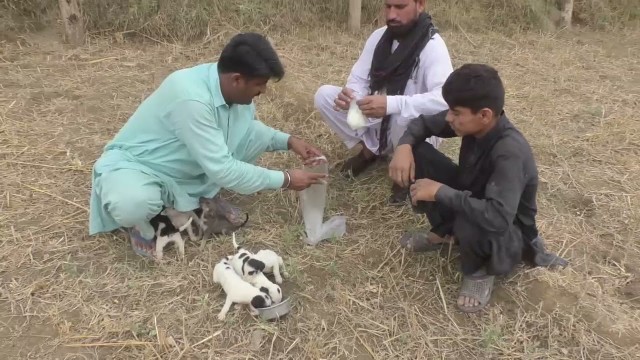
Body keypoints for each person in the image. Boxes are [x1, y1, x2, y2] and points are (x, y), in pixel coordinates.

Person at [89, 32, 327, 258]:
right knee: (132, 203)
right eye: (260, 84)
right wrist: (285, 179)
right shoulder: (191, 98)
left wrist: (288, 141)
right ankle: (144, 224)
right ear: (237, 79)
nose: (263, 90)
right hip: (143, 166)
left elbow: (249, 130)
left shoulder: (231, 91)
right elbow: (223, 169)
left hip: (187, 162)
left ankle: (196, 201)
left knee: (249, 136)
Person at [390, 64, 568, 313]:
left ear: (484, 114)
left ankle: (479, 270)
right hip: (476, 201)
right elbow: (422, 125)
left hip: (505, 232)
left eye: (455, 112)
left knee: (473, 216)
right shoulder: (474, 123)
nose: (448, 118)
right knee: (418, 153)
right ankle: (445, 234)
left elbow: (497, 216)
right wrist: (404, 146)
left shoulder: (509, 151)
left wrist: (440, 191)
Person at [314, 0, 453, 205]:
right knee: (324, 95)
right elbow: (359, 79)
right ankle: (370, 150)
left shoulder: (432, 46)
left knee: (403, 115)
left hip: (415, 128)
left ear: (420, 5)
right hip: (379, 117)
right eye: (388, 7)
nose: (391, 15)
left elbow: (445, 100)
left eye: (400, 7)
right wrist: (352, 96)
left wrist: (391, 104)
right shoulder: (379, 37)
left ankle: (405, 176)